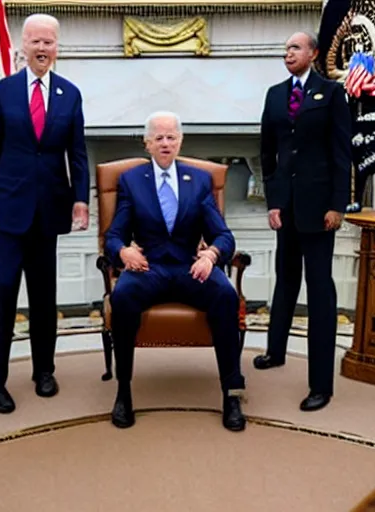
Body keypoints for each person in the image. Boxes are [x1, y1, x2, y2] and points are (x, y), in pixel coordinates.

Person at [0, 14, 90, 414]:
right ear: (22, 46)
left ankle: (44, 370)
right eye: (36, 42)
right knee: (4, 290)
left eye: (50, 42)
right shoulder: (3, 91)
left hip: (49, 212)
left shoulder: (70, 94)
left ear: (58, 47)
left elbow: (76, 152)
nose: (43, 49)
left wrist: (81, 199)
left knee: (44, 296)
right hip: (7, 212)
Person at [105, 111, 246, 431]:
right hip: (148, 268)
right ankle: (124, 391)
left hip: (188, 267)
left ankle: (232, 394)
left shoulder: (199, 181)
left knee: (225, 294)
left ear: (180, 141)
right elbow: (114, 235)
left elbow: (223, 235)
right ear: (147, 143)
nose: (165, 143)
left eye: (171, 137)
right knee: (123, 296)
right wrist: (124, 251)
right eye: (159, 138)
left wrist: (210, 255)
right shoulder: (130, 181)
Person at [253, 31, 352, 412]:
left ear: (313, 53)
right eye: (285, 48)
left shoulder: (331, 93)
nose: (288, 52)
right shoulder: (276, 95)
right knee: (286, 279)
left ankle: (320, 386)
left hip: (319, 209)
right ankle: (274, 351)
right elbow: (268, 153)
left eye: (294, 47)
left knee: (320, 290)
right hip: (286, 207)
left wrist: (338, 204)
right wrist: (273, 201)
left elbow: (342, 153)